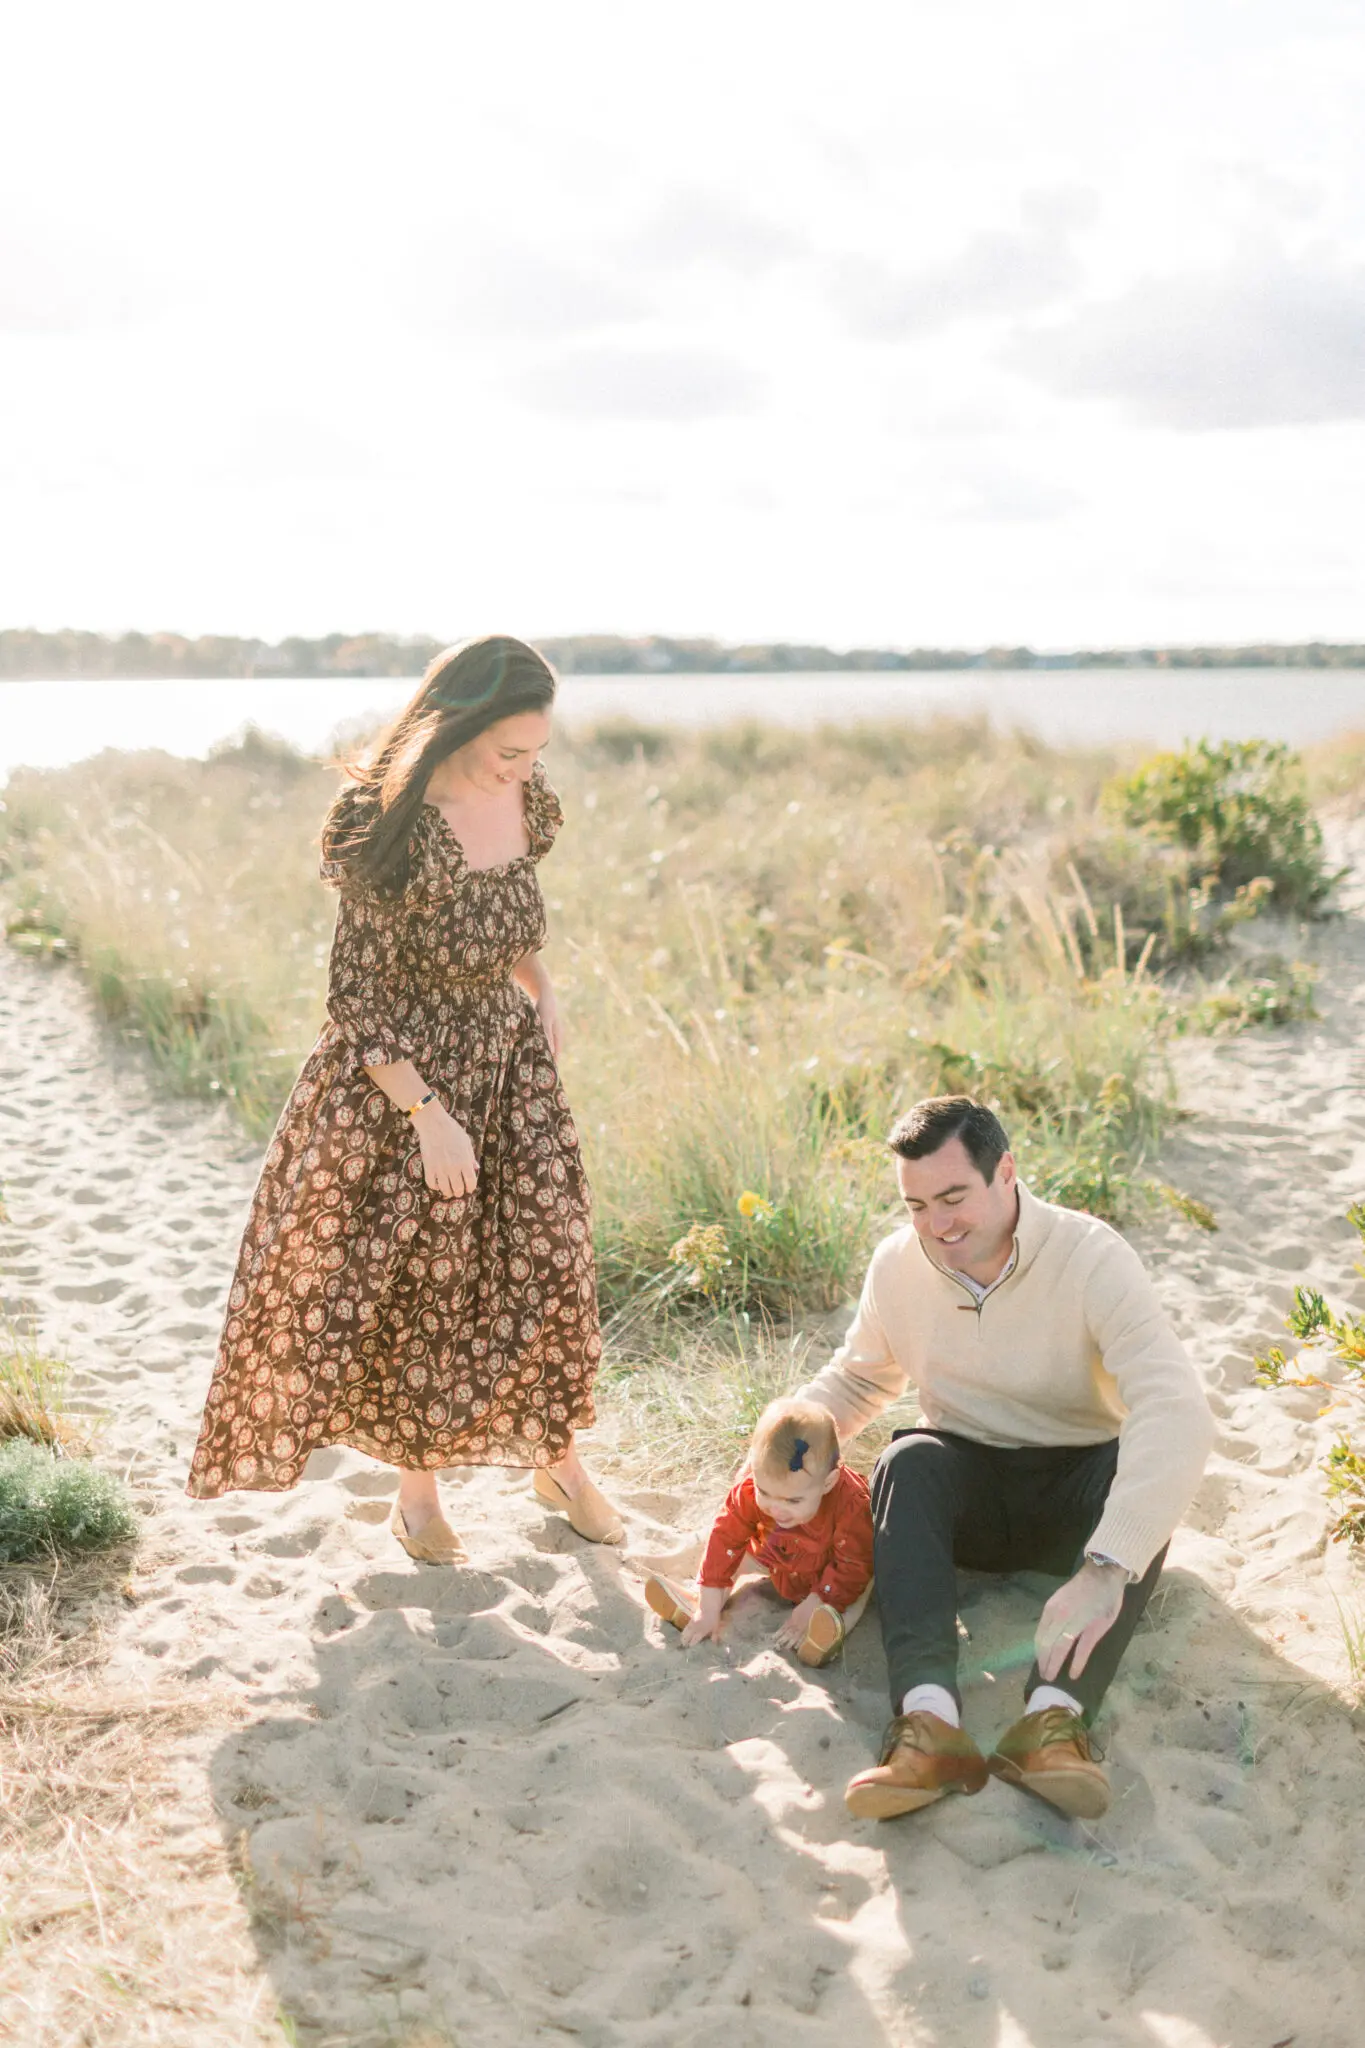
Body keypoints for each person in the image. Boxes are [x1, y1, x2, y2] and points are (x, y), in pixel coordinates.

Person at [187, 635, 622, 1560]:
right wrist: (429, 1119)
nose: (522, 768)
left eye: (535, 752)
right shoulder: (384, 822)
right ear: (455, 724)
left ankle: (558, 1462)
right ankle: (416, 1499)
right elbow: (357, 999)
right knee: (426, 1283)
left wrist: (543, 989)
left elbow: (509, 924)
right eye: (508, 750)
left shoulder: (525, 798)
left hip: (508, 1067)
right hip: (405, 1081)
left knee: (548, 1262)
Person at [795, 1095, 1214, 1822]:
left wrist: (1106, 1566)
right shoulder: (897, 1265)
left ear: (1006, 1172)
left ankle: (1051, 1724)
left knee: (1139, 1485)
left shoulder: (1090, 1256)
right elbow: (857, 1382)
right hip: (967, 1494)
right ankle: (927, 1726)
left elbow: (1175, 1407)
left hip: (1077, 1495)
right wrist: (782, 1447)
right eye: (917, 1205)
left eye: (954, 1197)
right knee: (907, 1460)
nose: (938, 1224)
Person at [644, 1398, 874, 1668]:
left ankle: (825, 1636)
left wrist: (818, 1599)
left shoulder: (850, 1505)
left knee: (854, 1593)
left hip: (830, 1571)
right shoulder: (750, 1488)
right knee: (732, 1559)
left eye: (793, 1500)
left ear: (828, 1482)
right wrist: (710, 1598)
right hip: (776, 1558)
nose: (776, 1509)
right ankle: (702, 1604)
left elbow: (854, 1563)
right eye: (765, 1492)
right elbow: (724, 1538)